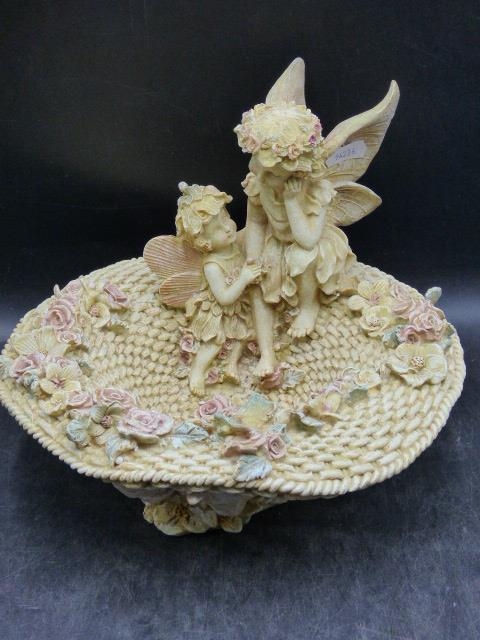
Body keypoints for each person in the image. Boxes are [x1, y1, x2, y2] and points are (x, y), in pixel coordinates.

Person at [175, 182, 262, 395]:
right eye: (217, 229)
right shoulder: (212, 265)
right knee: (214, 342)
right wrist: (244, 278)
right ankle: (197, 371)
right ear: (204, 242)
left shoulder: (234, 246)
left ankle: (231, 365)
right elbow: (224, 297)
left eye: (226, 217)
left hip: (238, 306)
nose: (227, 227)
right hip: (217, 311)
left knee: (245, 333)